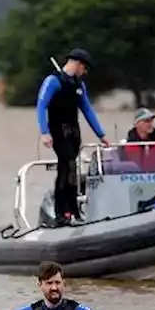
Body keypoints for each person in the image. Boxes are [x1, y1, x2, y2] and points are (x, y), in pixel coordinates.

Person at [36, 48, 109, 225]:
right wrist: (45, 133)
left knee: (73, 170)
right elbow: (41, 105)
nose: (84, 73)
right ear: (77, 64)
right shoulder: (53, 81)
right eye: (84, 69)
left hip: (74, 132)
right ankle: (62, 213)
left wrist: (101, 134)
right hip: (58, 131)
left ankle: (74, 211)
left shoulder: (78, 86)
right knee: (66, 167)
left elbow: (87, 110)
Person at [122, 107, 155, 172]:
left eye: (151, 120)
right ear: (136, 124)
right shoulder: (124, 145)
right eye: (146, 121)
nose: (150, 123)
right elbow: (120, 167)